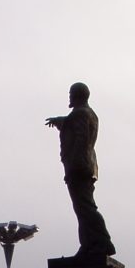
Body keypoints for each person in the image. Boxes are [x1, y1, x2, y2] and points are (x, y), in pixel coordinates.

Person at [46, 82, 116, 258]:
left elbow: (80, 138)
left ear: (77, 95)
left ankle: (101, 242)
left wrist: (73, 165)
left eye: (71, 93)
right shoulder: (89, 114)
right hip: (88, 165)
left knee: (85, 207)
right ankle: (88, 244)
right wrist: (60, 121)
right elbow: (73, 125)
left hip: (79, 166)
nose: (69, 97)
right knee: (83, 207)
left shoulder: (80, 114)